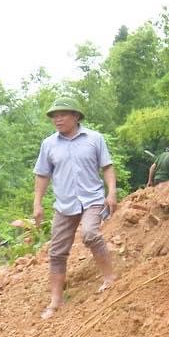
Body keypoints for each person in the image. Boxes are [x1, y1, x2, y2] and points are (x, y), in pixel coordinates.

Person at [33, 97, 118, 319]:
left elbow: (107, 167)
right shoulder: (49, 144)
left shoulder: (94, 139)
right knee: (57, 252)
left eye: (62, 114)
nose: (57, 119)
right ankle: (56, 300)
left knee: (90, 233)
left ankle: (110, 279)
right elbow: (42, 175)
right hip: (65, 203)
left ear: (76, 116)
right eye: (54, 116)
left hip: (92, 199)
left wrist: (112, 192)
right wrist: (37, 204)